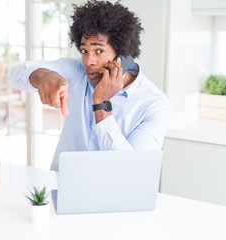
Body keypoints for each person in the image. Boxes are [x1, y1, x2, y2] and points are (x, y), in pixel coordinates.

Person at [9, 0, 172, 171]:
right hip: (62, 186)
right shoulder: (76, 72)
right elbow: (17, 73)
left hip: (113, 196)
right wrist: (44, 76)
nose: (88, 61)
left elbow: (131, 169)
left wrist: (101, 104)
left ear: (123, 54)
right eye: (85, 51)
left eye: (99, 51)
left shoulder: (155, 106)